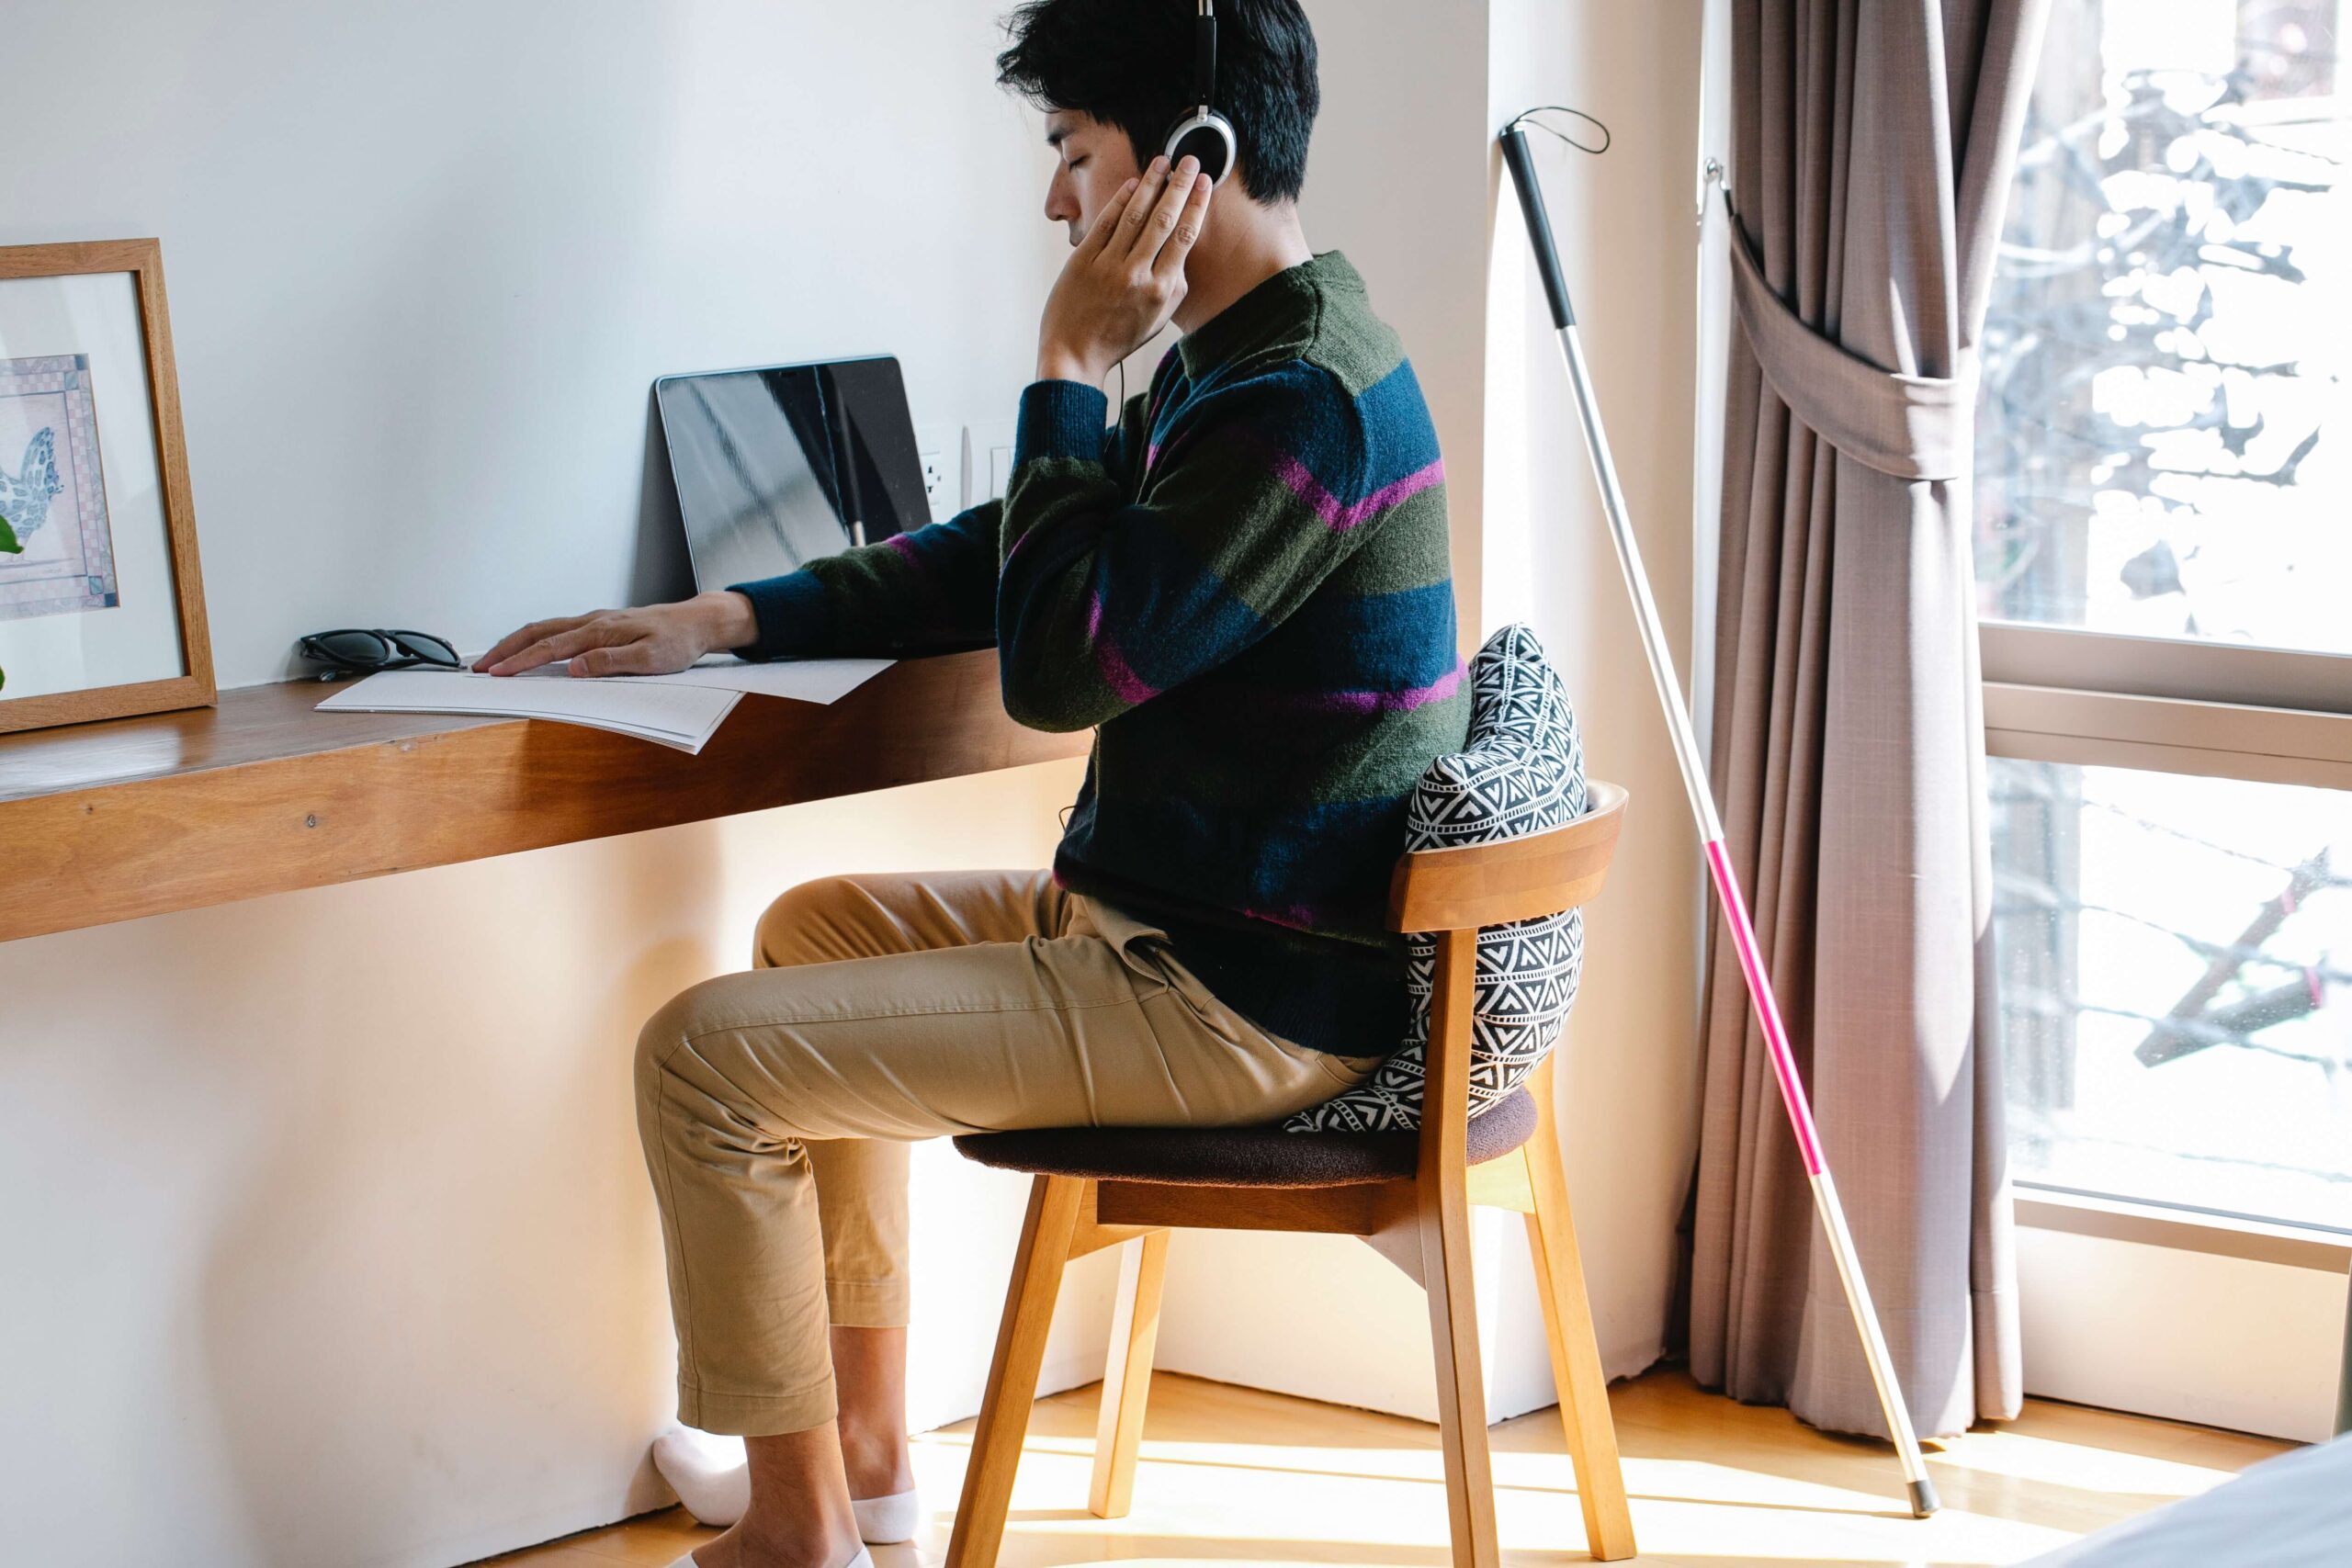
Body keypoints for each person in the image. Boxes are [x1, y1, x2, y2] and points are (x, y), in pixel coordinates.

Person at [474, 4, 1464, 1564]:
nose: (1056, 202)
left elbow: (1062, 669)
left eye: (1072, 151)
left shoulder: (1301, 401)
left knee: (699, 1062)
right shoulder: (1254, 358)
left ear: (1186, 156)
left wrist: (1068, 356)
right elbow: (1019, 549)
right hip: (1179, 933)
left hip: (1238, 1001)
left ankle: (797, 1535)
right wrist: (724, 616)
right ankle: (863, 1464)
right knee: (809, 927)